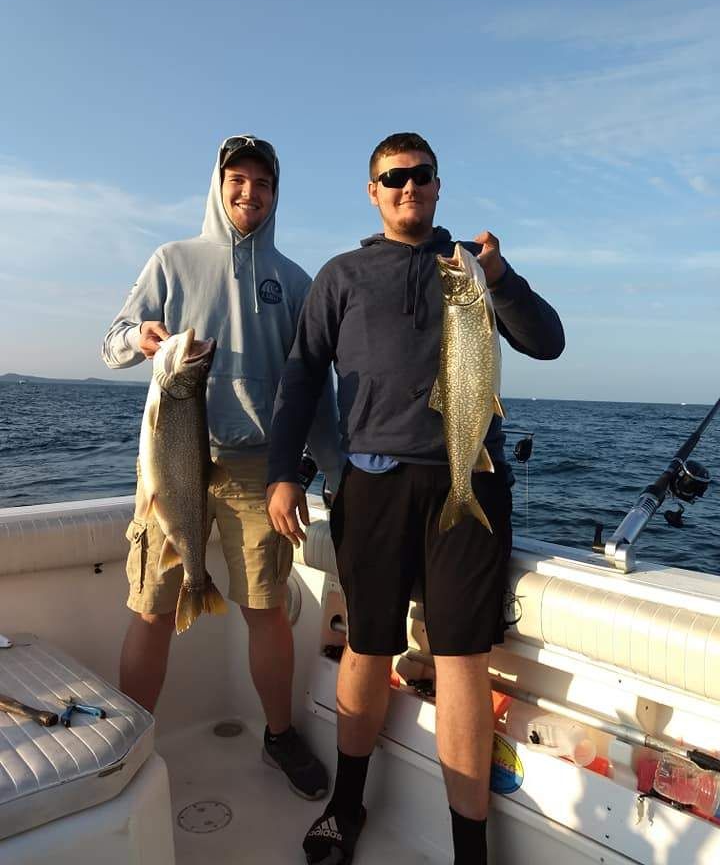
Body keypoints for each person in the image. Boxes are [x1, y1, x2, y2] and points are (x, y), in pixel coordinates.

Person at [266, 132, 565, 864]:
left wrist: (499, 275)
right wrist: (283, 469)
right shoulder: (341, 275)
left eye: (420, 175)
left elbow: (548, 342)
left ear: (438, 185)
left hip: (470, 478)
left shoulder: (469, 266)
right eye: (392, 177)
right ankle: (346, 803)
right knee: (368, 647)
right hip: (371, 486)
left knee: (462, 658)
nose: (407, 186)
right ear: (373, 191)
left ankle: (471, 850)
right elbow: (303, 376)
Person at [102, 134, 342, 801]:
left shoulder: (295, 282)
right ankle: (132, 743)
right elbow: (112, 340)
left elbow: (314, 391)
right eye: (237, 180)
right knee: (151, 606)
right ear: (218, 183)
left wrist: (336, 473)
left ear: (276, 193)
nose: (249, 193)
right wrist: (142, 339)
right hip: (172, 461)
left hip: (255, 468)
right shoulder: (171, 261)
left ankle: (279, 734)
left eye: (262, 183)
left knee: (266, 608)